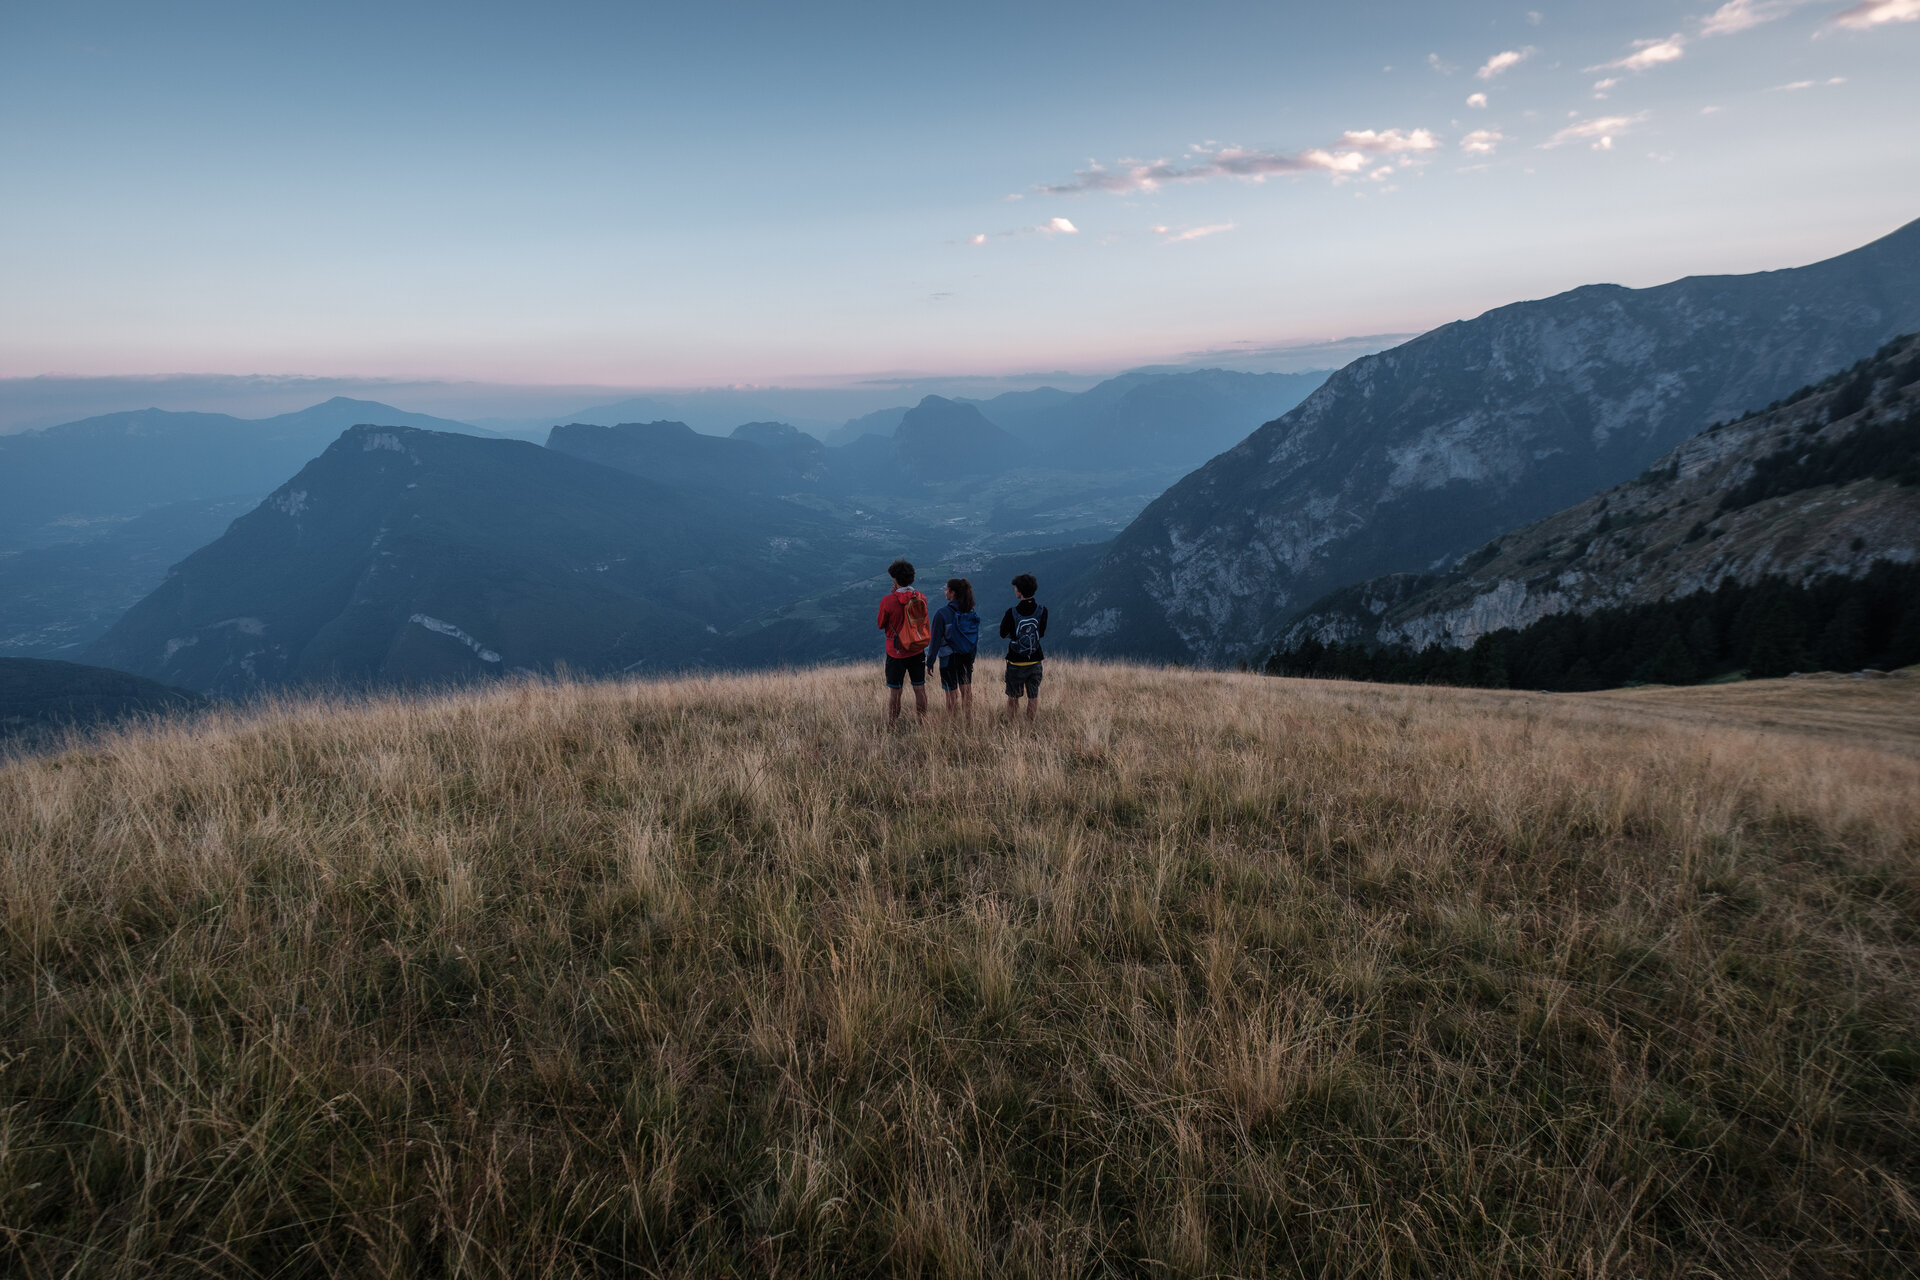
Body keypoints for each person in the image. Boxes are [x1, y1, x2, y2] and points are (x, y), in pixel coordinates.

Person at [876, 558, 932, 723]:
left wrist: (894, 595)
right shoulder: (921, 597)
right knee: (919, 688)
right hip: (916, 648)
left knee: (895, 691)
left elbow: (880, 624)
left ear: (895, 579)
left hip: (896, 651)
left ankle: (892, 724)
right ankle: (922, 722)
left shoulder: (888, 601)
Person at [928, 578, 980, 716]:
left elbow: (935, 641)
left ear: (952, 593)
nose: (945, 592)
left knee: (951, 692)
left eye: (946, 589)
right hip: (966, 655)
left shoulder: (942, 614)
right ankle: (968, 721)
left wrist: (930, 661)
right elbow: (973, 638)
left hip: (948, 657)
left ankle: (951, 724)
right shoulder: (970, 612)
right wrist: (971, 657)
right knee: (966, 690)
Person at [1000, 572, 1047, 720]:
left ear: (1019, 591)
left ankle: (1011, 725)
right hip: (1035, 659)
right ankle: (1029, 726)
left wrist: (1014, 636)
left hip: (1016, 661)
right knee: (1033, 696)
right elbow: (1042, 633)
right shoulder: (1042, 611)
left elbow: (1002, 633)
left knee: (1013, 697)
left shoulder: (1011, 612)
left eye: (1016, 589)